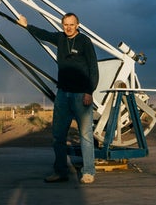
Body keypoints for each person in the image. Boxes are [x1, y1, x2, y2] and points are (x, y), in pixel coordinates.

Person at [16, 12, 99, 184]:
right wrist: (26, 25)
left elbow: (93, 68)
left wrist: (89, 91)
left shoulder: (85, 41)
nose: (68, 27)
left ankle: (89, 171)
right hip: (62, 94)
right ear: (62, 25)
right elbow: (44, 34)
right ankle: (60, 171)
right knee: (58, 136)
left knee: (85, 135)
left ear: (78, 25)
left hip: (80, 95)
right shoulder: (60, 39)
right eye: (65, 24)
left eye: (71, 24)